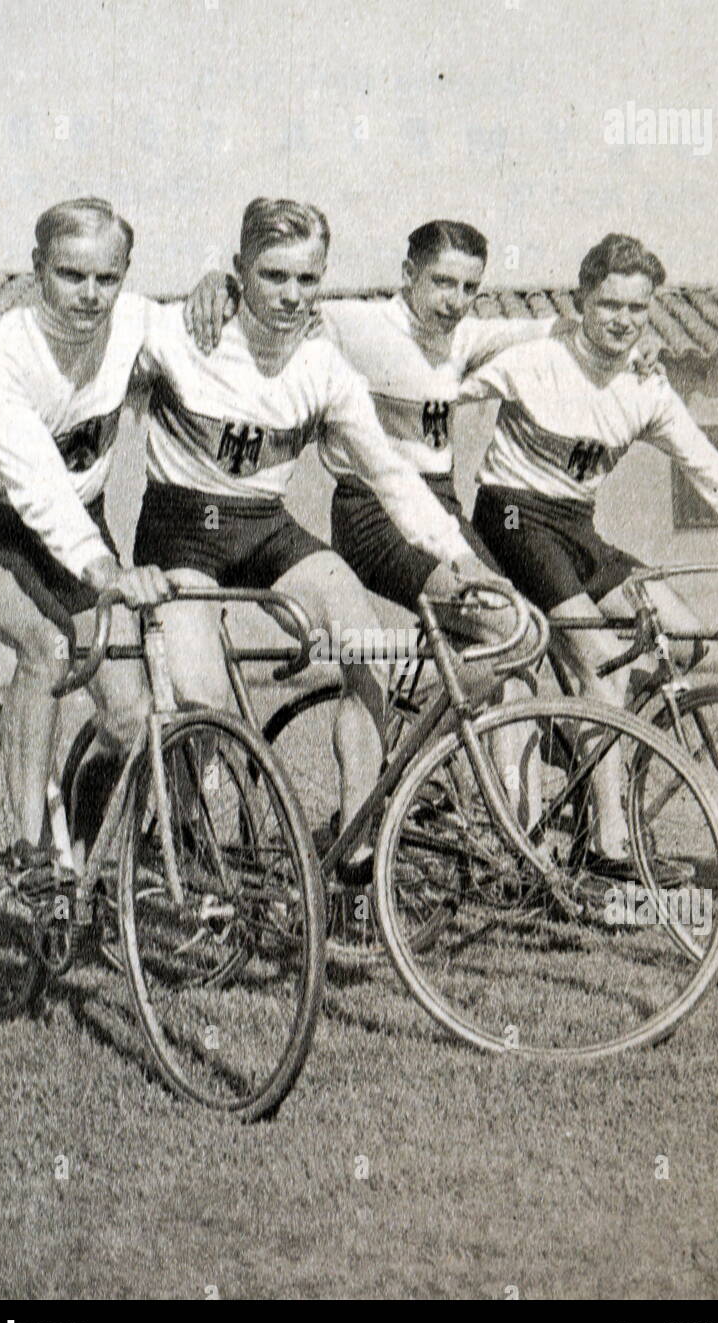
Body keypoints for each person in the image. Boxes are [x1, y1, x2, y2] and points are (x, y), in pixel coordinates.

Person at [133, 198, 505, 878]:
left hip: (263, 526)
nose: (290, 295)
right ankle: (179, 828)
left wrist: (457, 556)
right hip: (181, 532)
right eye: (273, 276)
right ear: (239, 269)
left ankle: (356, 843)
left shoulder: (323, 366)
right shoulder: (177, 331)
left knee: (366, 650)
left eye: (307, 280)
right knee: (203, 699)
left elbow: (389, 474)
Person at [463, 232, 718, 869]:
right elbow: (434, 372)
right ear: (582, 300)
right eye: (610, 304)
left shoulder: (646, 388)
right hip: (511, 518)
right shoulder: (534, 358)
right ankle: (609, 844)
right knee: (604, 664)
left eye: (638, 309)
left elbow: (709, 468)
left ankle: (584, 736)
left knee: (686, 640)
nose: (624, 321)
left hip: (578, 529)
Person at [0, 198, 171, 882]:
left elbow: (200, 336)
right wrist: (102, 567)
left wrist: (219, 293)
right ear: (37, 268)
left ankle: (83, 861)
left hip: (78, 523)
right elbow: (38, 485)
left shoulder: (135, 322)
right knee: (46, 647)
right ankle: (32, 852)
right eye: (71, 275)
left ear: (125, 274)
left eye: (107, 277)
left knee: (132, 716)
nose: (91, 295)